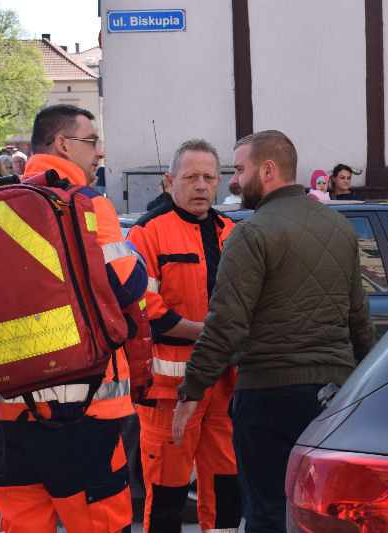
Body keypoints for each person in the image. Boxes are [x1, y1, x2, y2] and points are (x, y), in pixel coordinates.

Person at [0, 104, 148, 533]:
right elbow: (128, 286)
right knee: (100, 522)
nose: (99, 154)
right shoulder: (85, 203)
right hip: (80, 406)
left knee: (22, 523)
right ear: (63, 145)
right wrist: (136, 256)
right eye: (92, 143)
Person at [172, 130, 375, 532]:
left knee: (267, 513)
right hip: (331, 394)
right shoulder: (339, 227)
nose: (233, 180)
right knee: (320, 512)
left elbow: (226, 325)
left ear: (267, 170)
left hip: (268, 396)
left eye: (239, 168)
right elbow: (359, 319)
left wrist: (191, 390)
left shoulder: (251, 233)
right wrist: (364, 386)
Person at [127, 139, 242, 533]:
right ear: (169, 181)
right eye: (190, 177)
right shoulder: (147, 233)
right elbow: (147, 312)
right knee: (167, 496)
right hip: (168, 389)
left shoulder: (231, 231)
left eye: (209, 177)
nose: (201, 186)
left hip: (226, 382)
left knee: (227, 489)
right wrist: (211, 333)